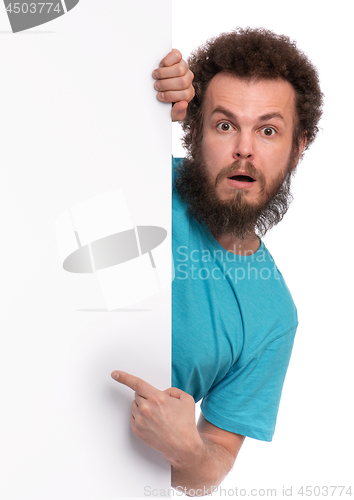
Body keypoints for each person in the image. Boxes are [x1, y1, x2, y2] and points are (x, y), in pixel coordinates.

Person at [111, 28, 323, 496]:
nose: (244, 148)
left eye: (268, 130)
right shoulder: (135, 175)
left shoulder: (273, 316)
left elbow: (210, 468)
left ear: (298, 146)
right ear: (194, 128)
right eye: (225, 124)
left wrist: (186, 448)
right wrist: (133, 84)